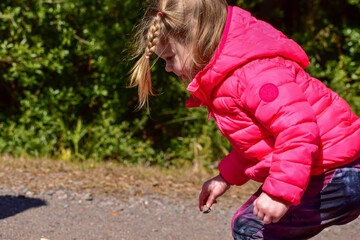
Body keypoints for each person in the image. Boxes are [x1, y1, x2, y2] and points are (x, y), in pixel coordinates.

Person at [129, 0, 360, 239]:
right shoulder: (228, 77)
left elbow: (297, 130)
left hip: (337, 169)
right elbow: (258, 144)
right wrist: (225, 178)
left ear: (197, 38)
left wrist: (278, 195)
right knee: (251, 224)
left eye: (169, 57)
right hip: (324, 168)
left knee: (251, 229)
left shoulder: (253, 73)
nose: (167, 68)